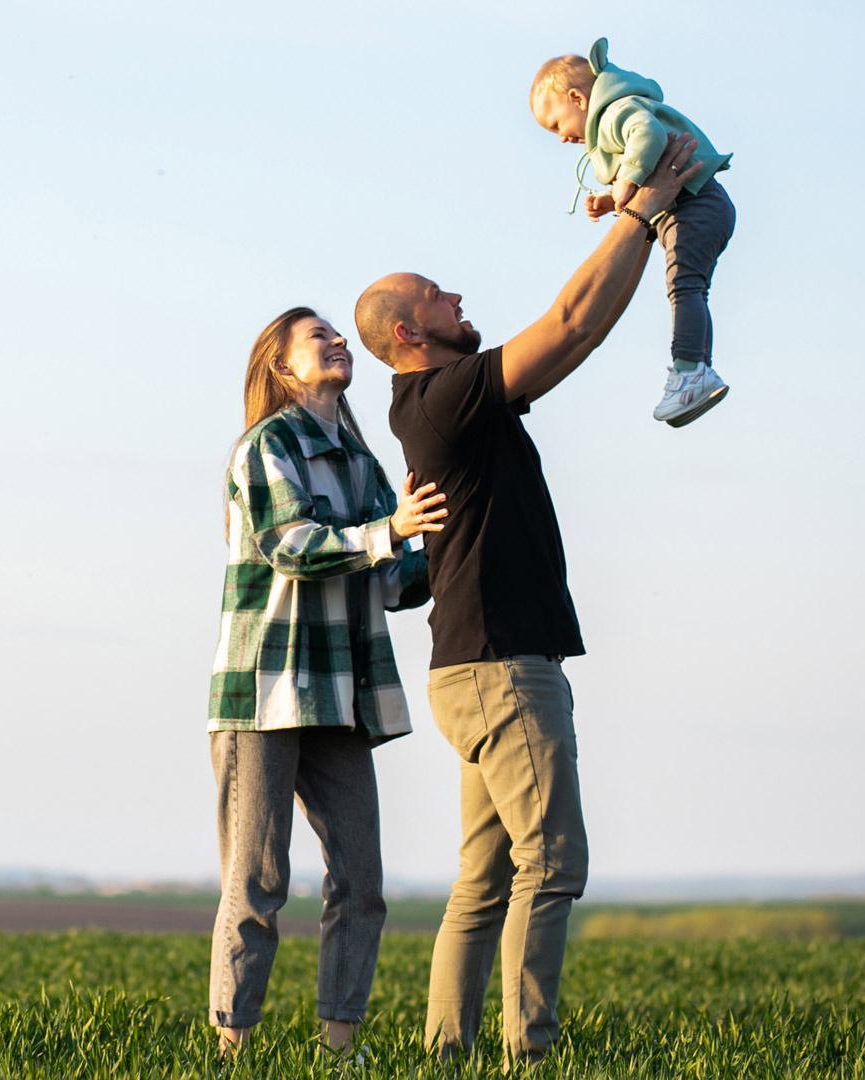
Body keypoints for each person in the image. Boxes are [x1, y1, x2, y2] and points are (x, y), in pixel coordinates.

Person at [352, 134, 704, 1064]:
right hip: (502, 670)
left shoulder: (444, 402)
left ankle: (447, 1056)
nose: (457, 297)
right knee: (552, 863)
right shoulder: (442, 397)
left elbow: (581, 334)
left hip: (476, 670)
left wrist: (641, 226)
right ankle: (529, 1057)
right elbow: (570, 323)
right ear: (408, 332)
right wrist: (644, 211)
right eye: (439, 295)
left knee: (485, 882)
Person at [205, 306, 445, 1056]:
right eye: (321, 336)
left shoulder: (363, 462)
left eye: (340, 335)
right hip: (262, 690)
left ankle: (341, 1050)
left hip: (342, 694)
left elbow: (392, 582)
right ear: (282, 365)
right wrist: (390, 533)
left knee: (361, 881)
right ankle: (232, 1053)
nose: (340, 341)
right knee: (258, 881)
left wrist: (443, 549)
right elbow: (292, 544)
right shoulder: (266, 445)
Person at [531, 37, 737, 428]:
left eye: (557, 125)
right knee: (690, 287)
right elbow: (648, 168)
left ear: (577, 98)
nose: (561, 138)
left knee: (685, 287)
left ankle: (690, 371)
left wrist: (625, 183)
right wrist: (613, 199)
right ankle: (695, 370)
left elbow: (649, 136)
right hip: (698, 206)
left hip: (695, 205)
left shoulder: (615, 113)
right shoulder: (614, 117)